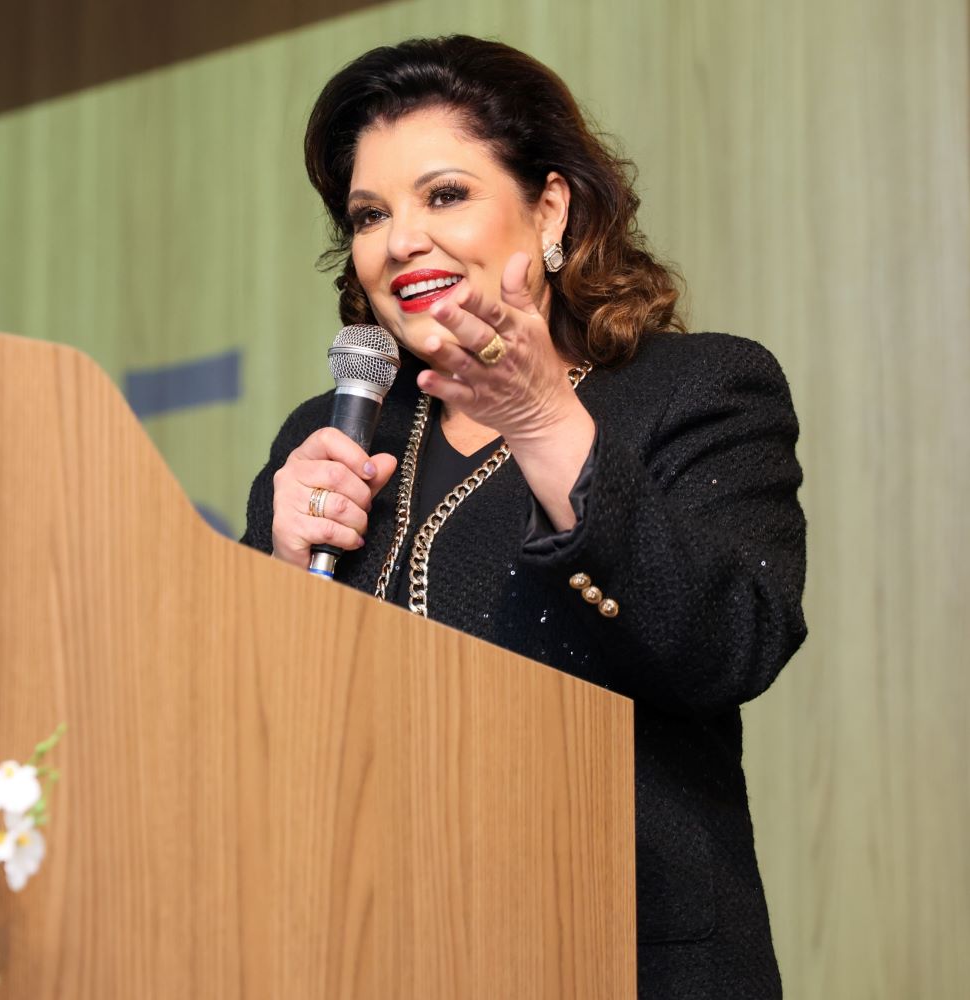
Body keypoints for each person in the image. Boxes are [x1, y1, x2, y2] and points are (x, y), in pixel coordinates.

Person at [240, 35, 806, 998]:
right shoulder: (331, 436)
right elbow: (246, 734)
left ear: (550, 208)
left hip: (620, 955)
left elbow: (731, 645)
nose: (400, 240)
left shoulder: (699, 389)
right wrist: (276, 570)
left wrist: (549, 427)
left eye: (444, 195)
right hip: (366, 952)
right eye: (370, 214)